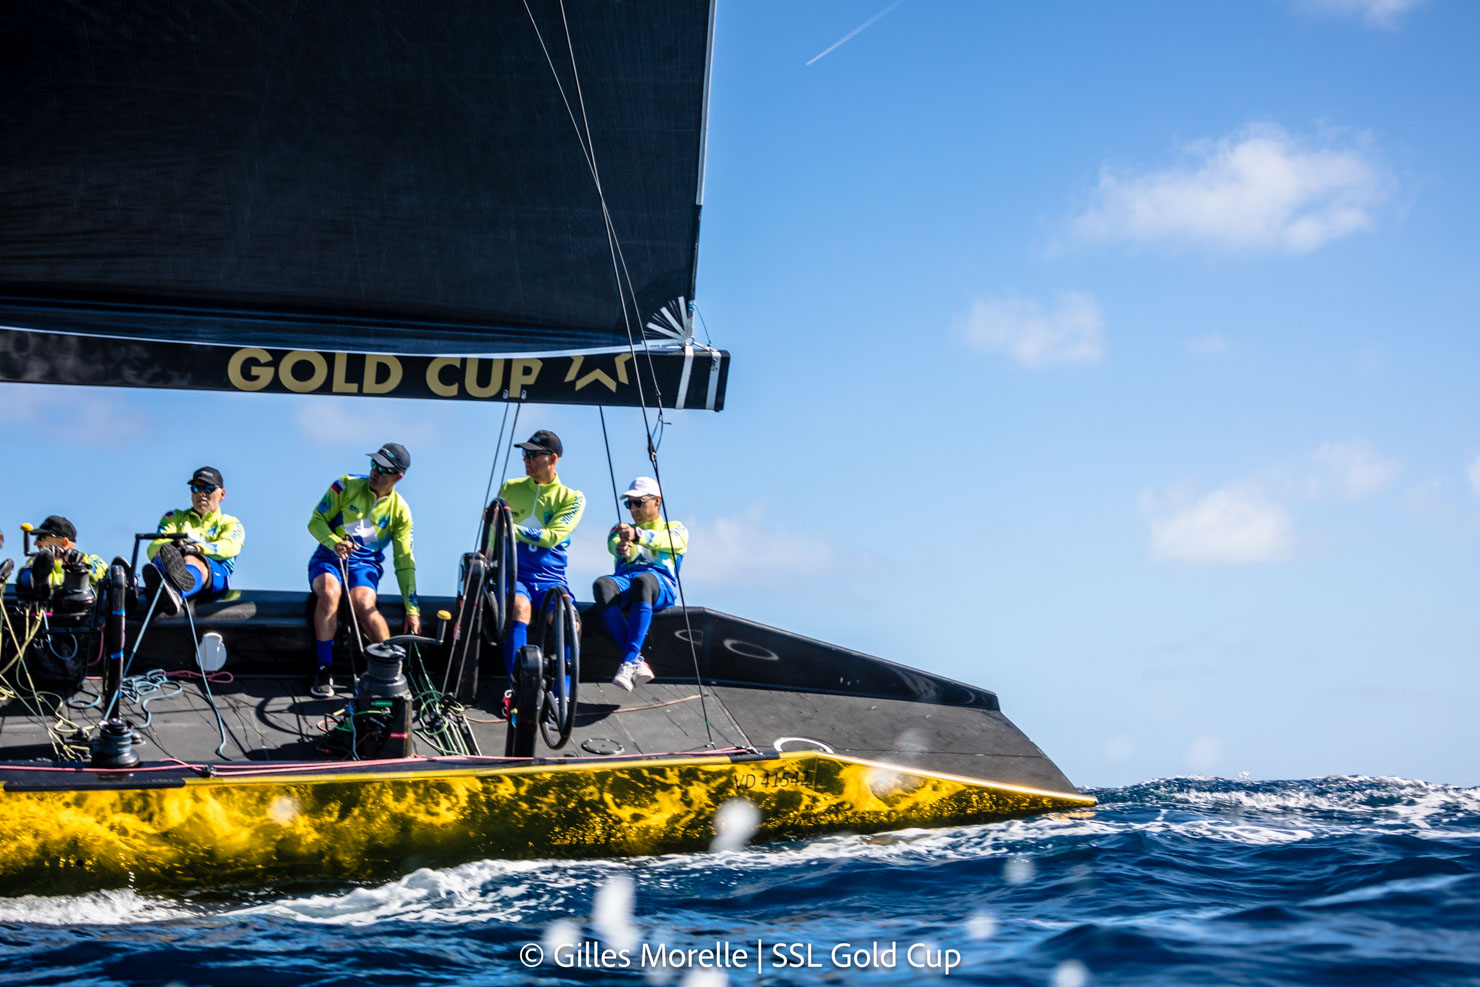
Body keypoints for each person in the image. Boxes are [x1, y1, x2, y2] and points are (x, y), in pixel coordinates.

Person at [306, 442, 420, 698]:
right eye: (374, 464)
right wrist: (335, 543)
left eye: (384, 469)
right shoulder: (346, 485)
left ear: (398, 477)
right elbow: (316, 521)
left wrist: (412, 608)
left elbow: (404, 561)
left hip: (365, 565)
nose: (375, 472)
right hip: (329, 558)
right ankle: (324, 669)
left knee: (364, 603)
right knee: (329, 594)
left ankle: (390, 673)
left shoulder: (401, 511)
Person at [495, 429, 585, 680]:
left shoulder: (573, 498)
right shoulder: (510, 488)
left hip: (550, 578)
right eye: (525, 454)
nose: (526, 459)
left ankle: (563, 693)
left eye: (533, 455)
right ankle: (516, 686)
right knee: (519, 607)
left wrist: (508, 527)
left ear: (552, 459)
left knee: (568, 621)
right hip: (515, 574)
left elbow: (552, 536)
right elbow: (492, 536)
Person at [594, 477, 687, 692]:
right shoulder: (621, 529)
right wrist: (623, 546)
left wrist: (637, 535)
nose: (633, 508)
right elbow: (614, 544)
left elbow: (672, 542)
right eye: (629, 504)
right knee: (602, 584)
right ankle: (635, 660)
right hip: (628, 581)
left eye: (639, 502)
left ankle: (628, 661)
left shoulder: (675, 528)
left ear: (657, 501)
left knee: (642, 581)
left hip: (660, 584)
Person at [142, 466, 245, 615]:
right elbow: (154, 546)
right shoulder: (174, 516)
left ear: (222, 494)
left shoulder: (231, 522)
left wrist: (195, 549)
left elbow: (229, 547)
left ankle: (175, 592)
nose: (201, 494)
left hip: (215, 576)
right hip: (175, 565)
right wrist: (174, 547)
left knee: (191, 559)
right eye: (196, 488)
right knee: (163, 551)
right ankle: (138, 589)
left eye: (208, 488)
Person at [16, 515, 106, 598]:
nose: (35, 543)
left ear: (63, 542)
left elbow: (101, 574)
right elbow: (26, 580)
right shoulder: (36, 561)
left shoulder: (91, 559)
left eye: (42, 537)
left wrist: (79, 564)